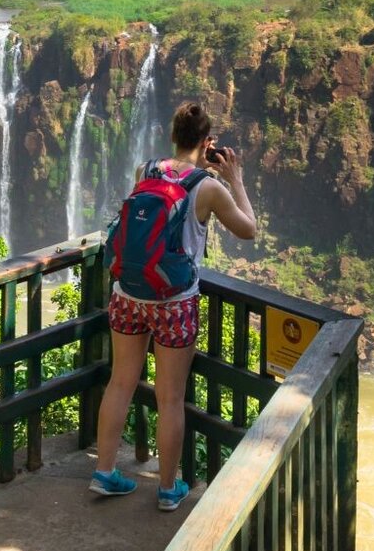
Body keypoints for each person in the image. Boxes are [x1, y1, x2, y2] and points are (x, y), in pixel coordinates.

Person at [89, 101, 256, 512]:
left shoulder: (145, 171)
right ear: (207, 141)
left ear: (173, 135)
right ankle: (167, 490)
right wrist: (235, 179)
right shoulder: (209, 187)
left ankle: (104, 472)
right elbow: (249, 230)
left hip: (128, 294)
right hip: (174, 304)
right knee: (170, 398)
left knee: (120, 383)